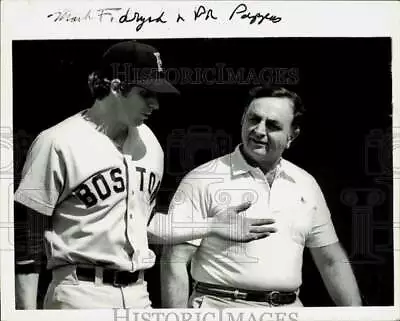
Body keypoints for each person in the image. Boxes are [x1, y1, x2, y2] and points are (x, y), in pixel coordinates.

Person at [14, 40, 276, 310]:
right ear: (116, 87)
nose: (155, 104)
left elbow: (145, 225)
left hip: (139, 293)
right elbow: (27, 239)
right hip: (79, 294)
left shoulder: (149, 145)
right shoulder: (58, 142)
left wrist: (211, 226)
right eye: (146, 93)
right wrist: (25, 316)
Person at [160, 86, 362, 308]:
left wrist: (357, 314)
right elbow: (174, 260)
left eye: (273, 125)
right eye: (253, 119)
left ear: (292, 135)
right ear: (242, 119)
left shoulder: (306, 184)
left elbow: (331, 261)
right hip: (221, 309)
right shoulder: (202, 179)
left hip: (291, 311)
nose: (258, 130)